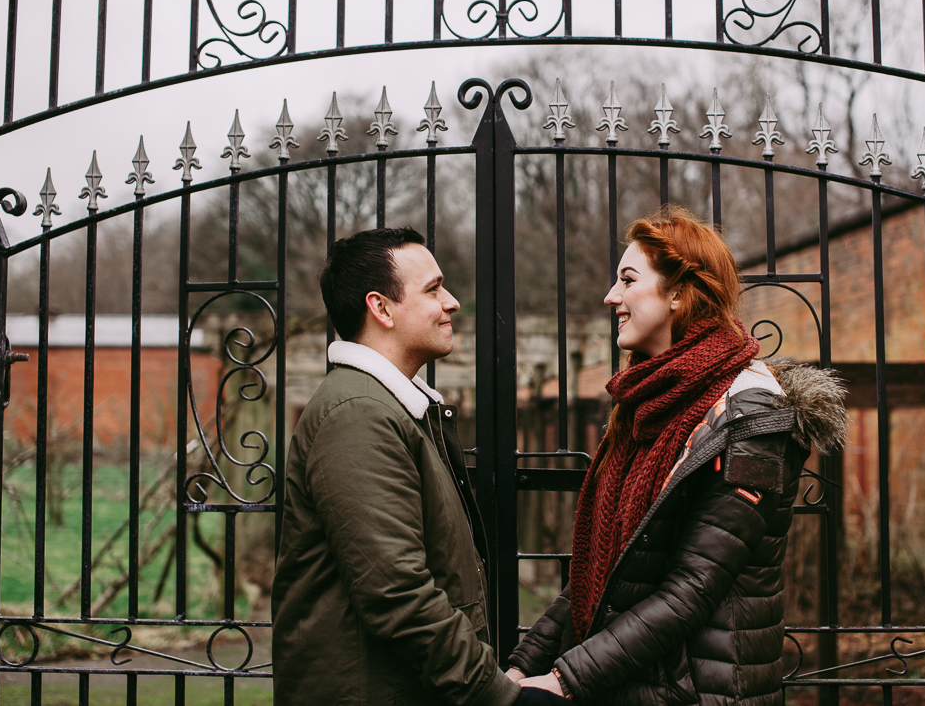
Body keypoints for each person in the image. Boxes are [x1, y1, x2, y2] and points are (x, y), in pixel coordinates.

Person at [505, 207, 848, 704]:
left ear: (678, 293)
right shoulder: (648, 406)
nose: (611, 296)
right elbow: (601, 573)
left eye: (627, 279)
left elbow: (691, 589)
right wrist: (522, 666)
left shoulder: (751, 417)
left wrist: (564, 679)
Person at [272, 227, 529, 705]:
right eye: (433, 289)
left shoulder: (391, 408)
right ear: (381, 308)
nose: (451, 302)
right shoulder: (356, 413)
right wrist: (498, 694)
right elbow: (397, 593)